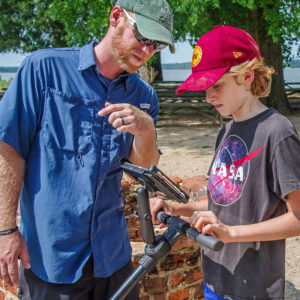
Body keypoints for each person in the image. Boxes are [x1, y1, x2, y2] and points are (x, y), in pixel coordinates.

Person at [0, 0, 175, 299]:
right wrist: (5, 230)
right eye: (144, 37)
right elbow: (8, 148)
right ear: (116, 17)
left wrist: (145, 129)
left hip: (113, 257)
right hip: (51, 256)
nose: (147, 52)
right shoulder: (43, 69)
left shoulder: (144, 96)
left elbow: (141, 171)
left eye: (156, 46)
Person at [150, 25, 300, 300]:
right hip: (216, 277)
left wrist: (230, 232)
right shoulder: (226, 130)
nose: (208, 97)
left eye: (216, 85)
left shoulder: (277, 132)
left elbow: (298, 218)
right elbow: (224, 200)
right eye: (205, 88)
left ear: (246, 76)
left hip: (254, 289)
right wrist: (179, 208)